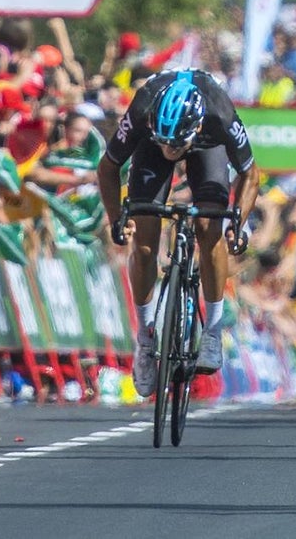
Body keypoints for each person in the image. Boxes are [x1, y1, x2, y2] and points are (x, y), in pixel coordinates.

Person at [97, 69, 259, 397]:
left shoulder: (218, 113)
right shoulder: (144, 109)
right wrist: (117, 218)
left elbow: (250, 174)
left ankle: (212, 332)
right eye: (166, 142)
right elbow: (108, 167)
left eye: (175, 145)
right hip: (148, 145)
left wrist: (238, 223)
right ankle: (144, 340)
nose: (172, 151)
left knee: (208, 227)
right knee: (144, 241)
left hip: (206, 148)